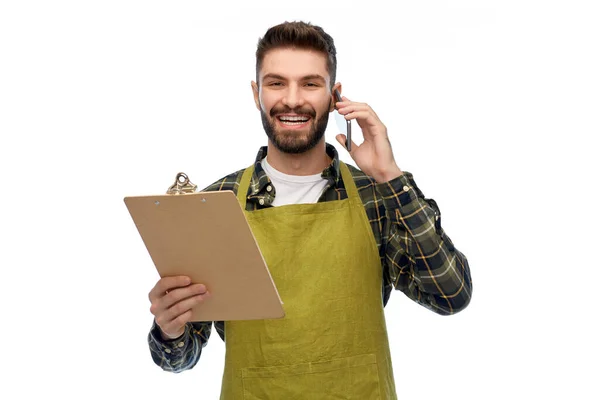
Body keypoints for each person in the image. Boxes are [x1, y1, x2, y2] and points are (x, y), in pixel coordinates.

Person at [147, 21, 472, 399]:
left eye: (310, 83)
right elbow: (179, 359)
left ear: (334, 96)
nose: (293, 99)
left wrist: (390, 176)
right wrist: (169, 329)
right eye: (276, 83)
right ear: (257, 94)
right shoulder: (217, 202)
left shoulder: (376, 198)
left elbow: (452, 295)